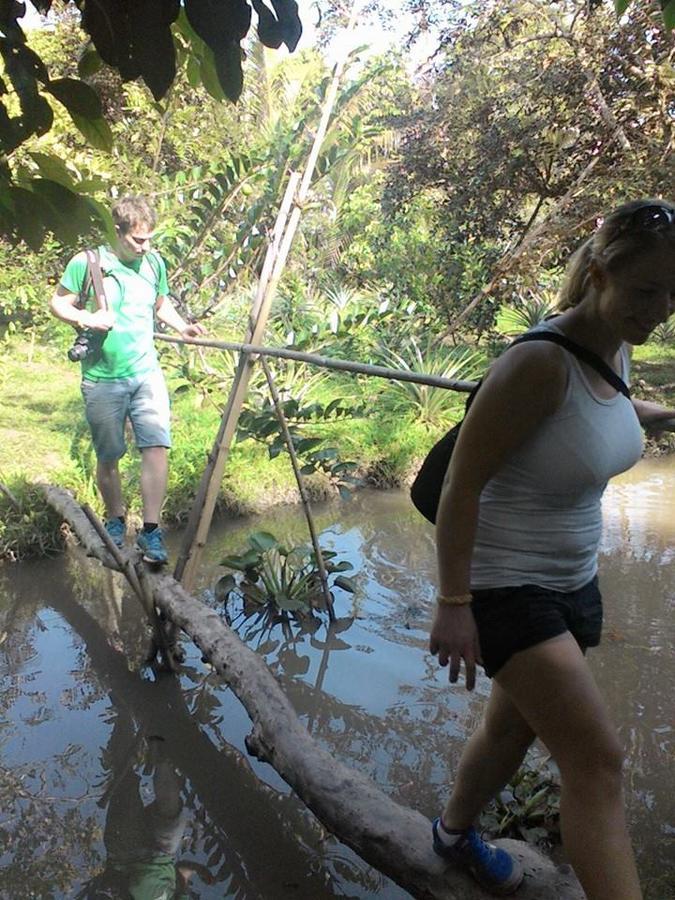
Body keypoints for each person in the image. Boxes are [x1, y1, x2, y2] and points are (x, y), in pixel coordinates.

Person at [428, 198, 675, 897]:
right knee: (597, 764)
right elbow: (459, 487)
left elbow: (607, 411)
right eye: (646, 290)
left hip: (573, 579)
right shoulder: (537, 363)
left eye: (673, 293)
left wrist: (666, 415)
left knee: (510, 728)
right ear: (597, 272)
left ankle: (451, 835)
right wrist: (453, 603)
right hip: (504, 585)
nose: (660, 309)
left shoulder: (614, 345)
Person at [50, 195, 205, 565]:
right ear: (117, 232)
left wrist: (182, 326)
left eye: (150, 238)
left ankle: (151, 532)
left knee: (156, 446)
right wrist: (85, 320)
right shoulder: (87, 263)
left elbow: (159, 303)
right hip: (102, 377)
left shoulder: (153, 263)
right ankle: (116, 519)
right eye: (138, 240)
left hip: (145, 371)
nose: (145, 246)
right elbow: (58, 303)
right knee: (110, 455)